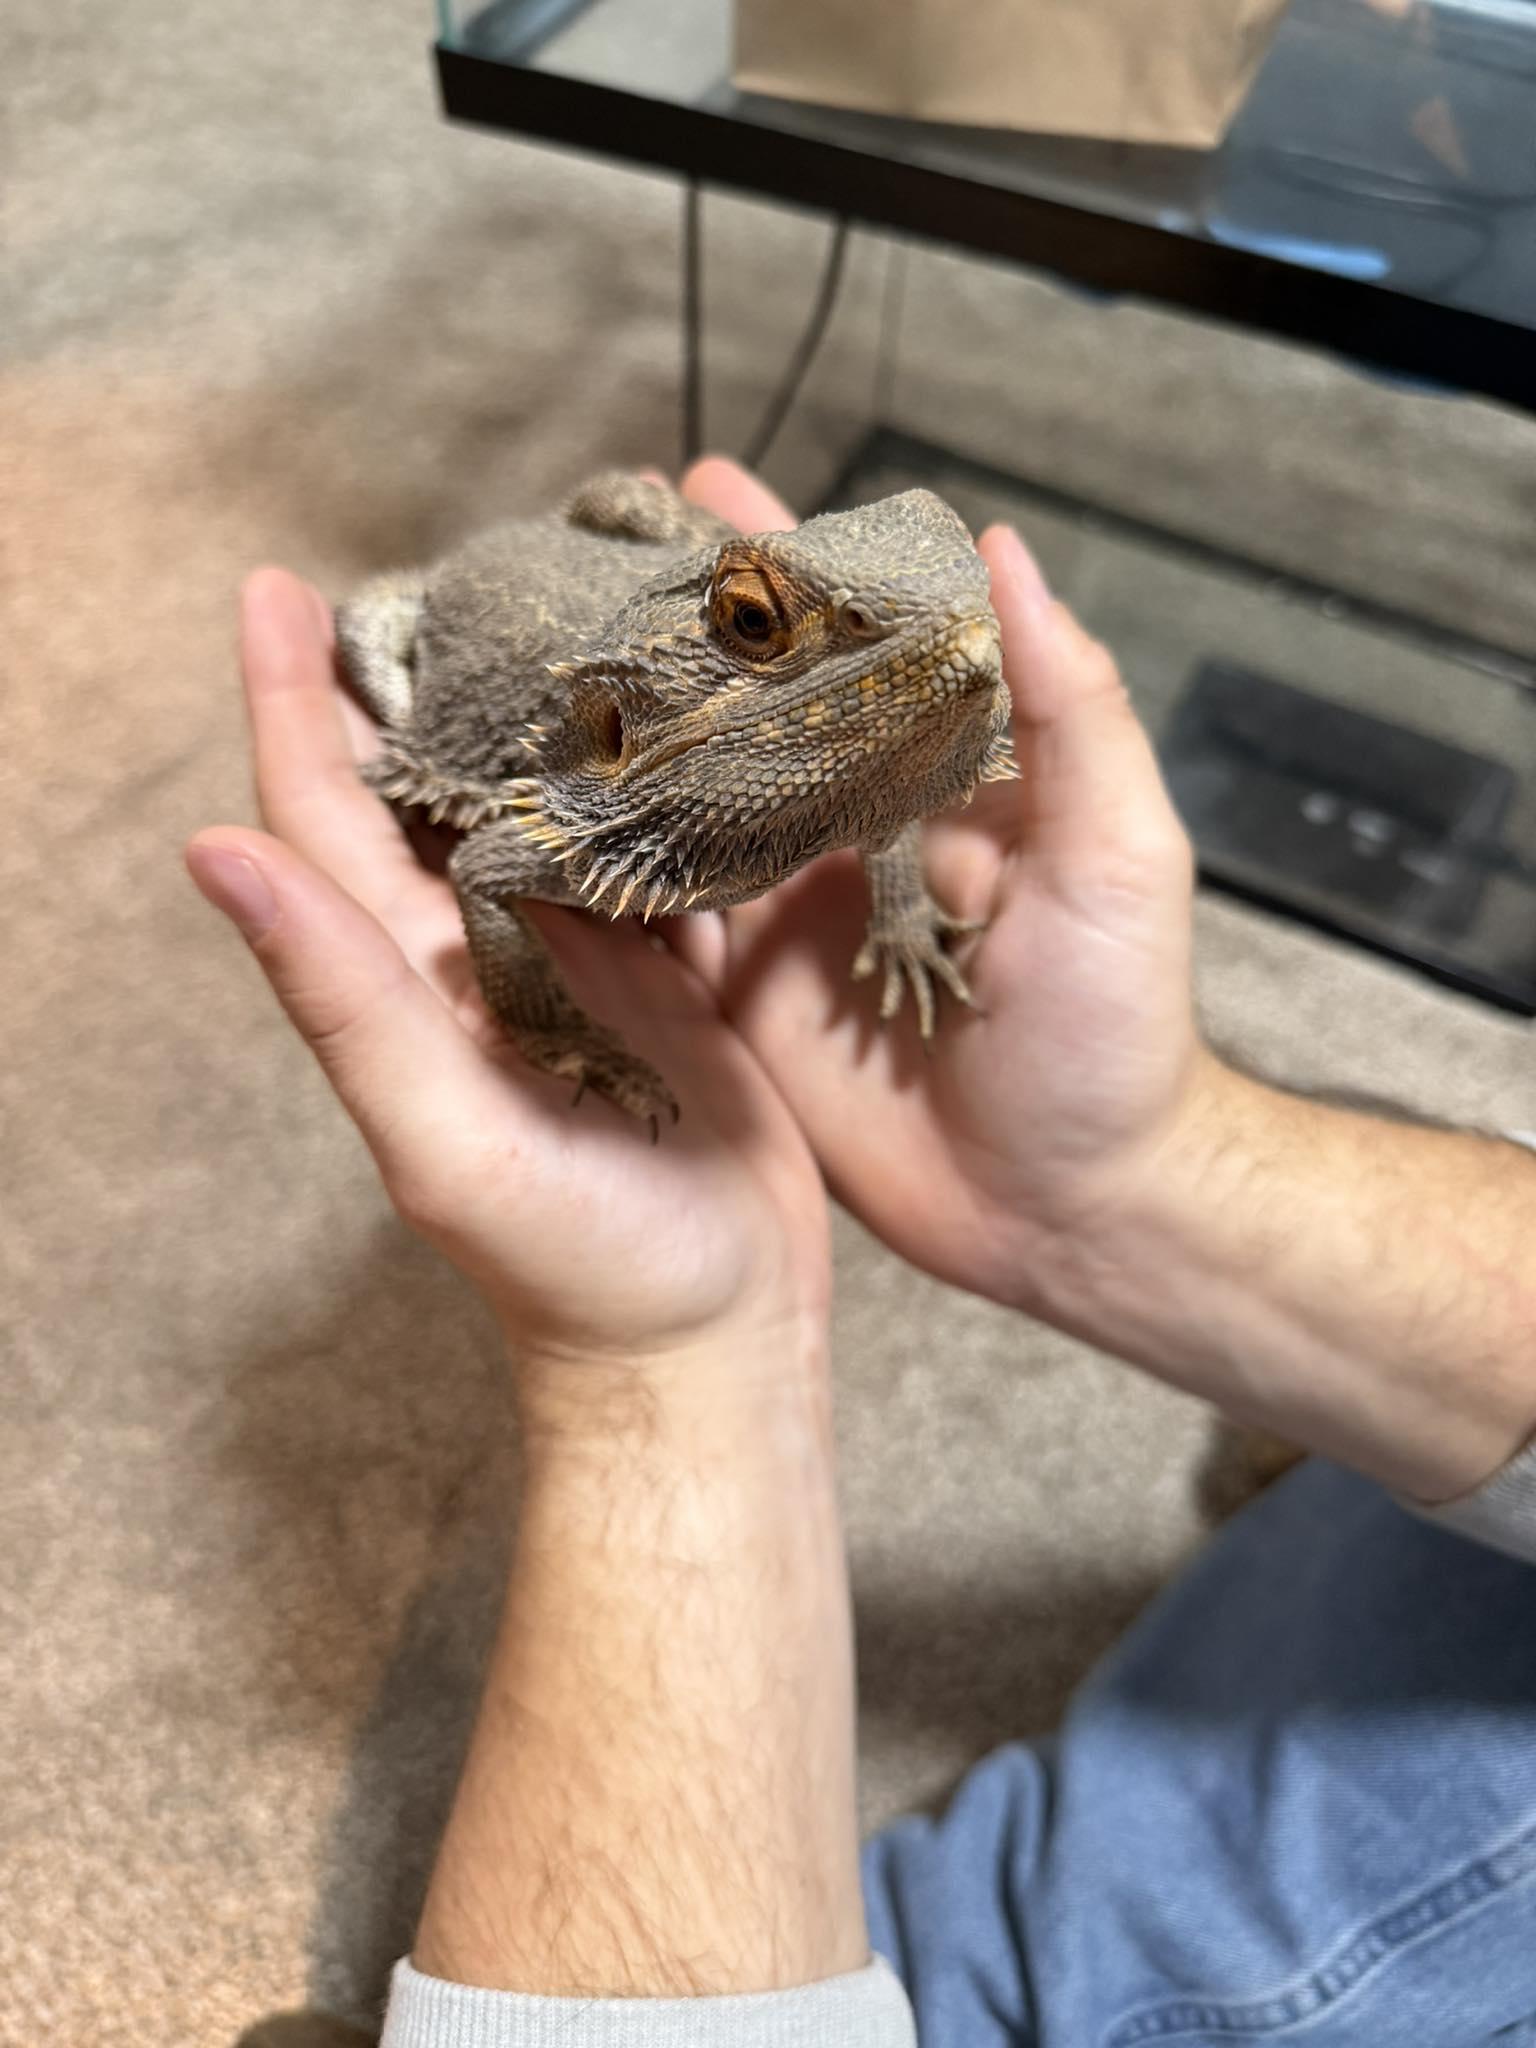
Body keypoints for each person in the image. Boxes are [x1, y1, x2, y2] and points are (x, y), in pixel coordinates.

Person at [186, 458, 1536, 2048]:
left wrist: (916, 931)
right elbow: (488, 861)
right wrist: (544, 1022)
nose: (960, 657)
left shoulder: (835, 749)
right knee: (362, 631)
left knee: (881, 679)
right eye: (760, 620)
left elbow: (890, 781)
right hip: (525, 632)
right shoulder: (603, 770)